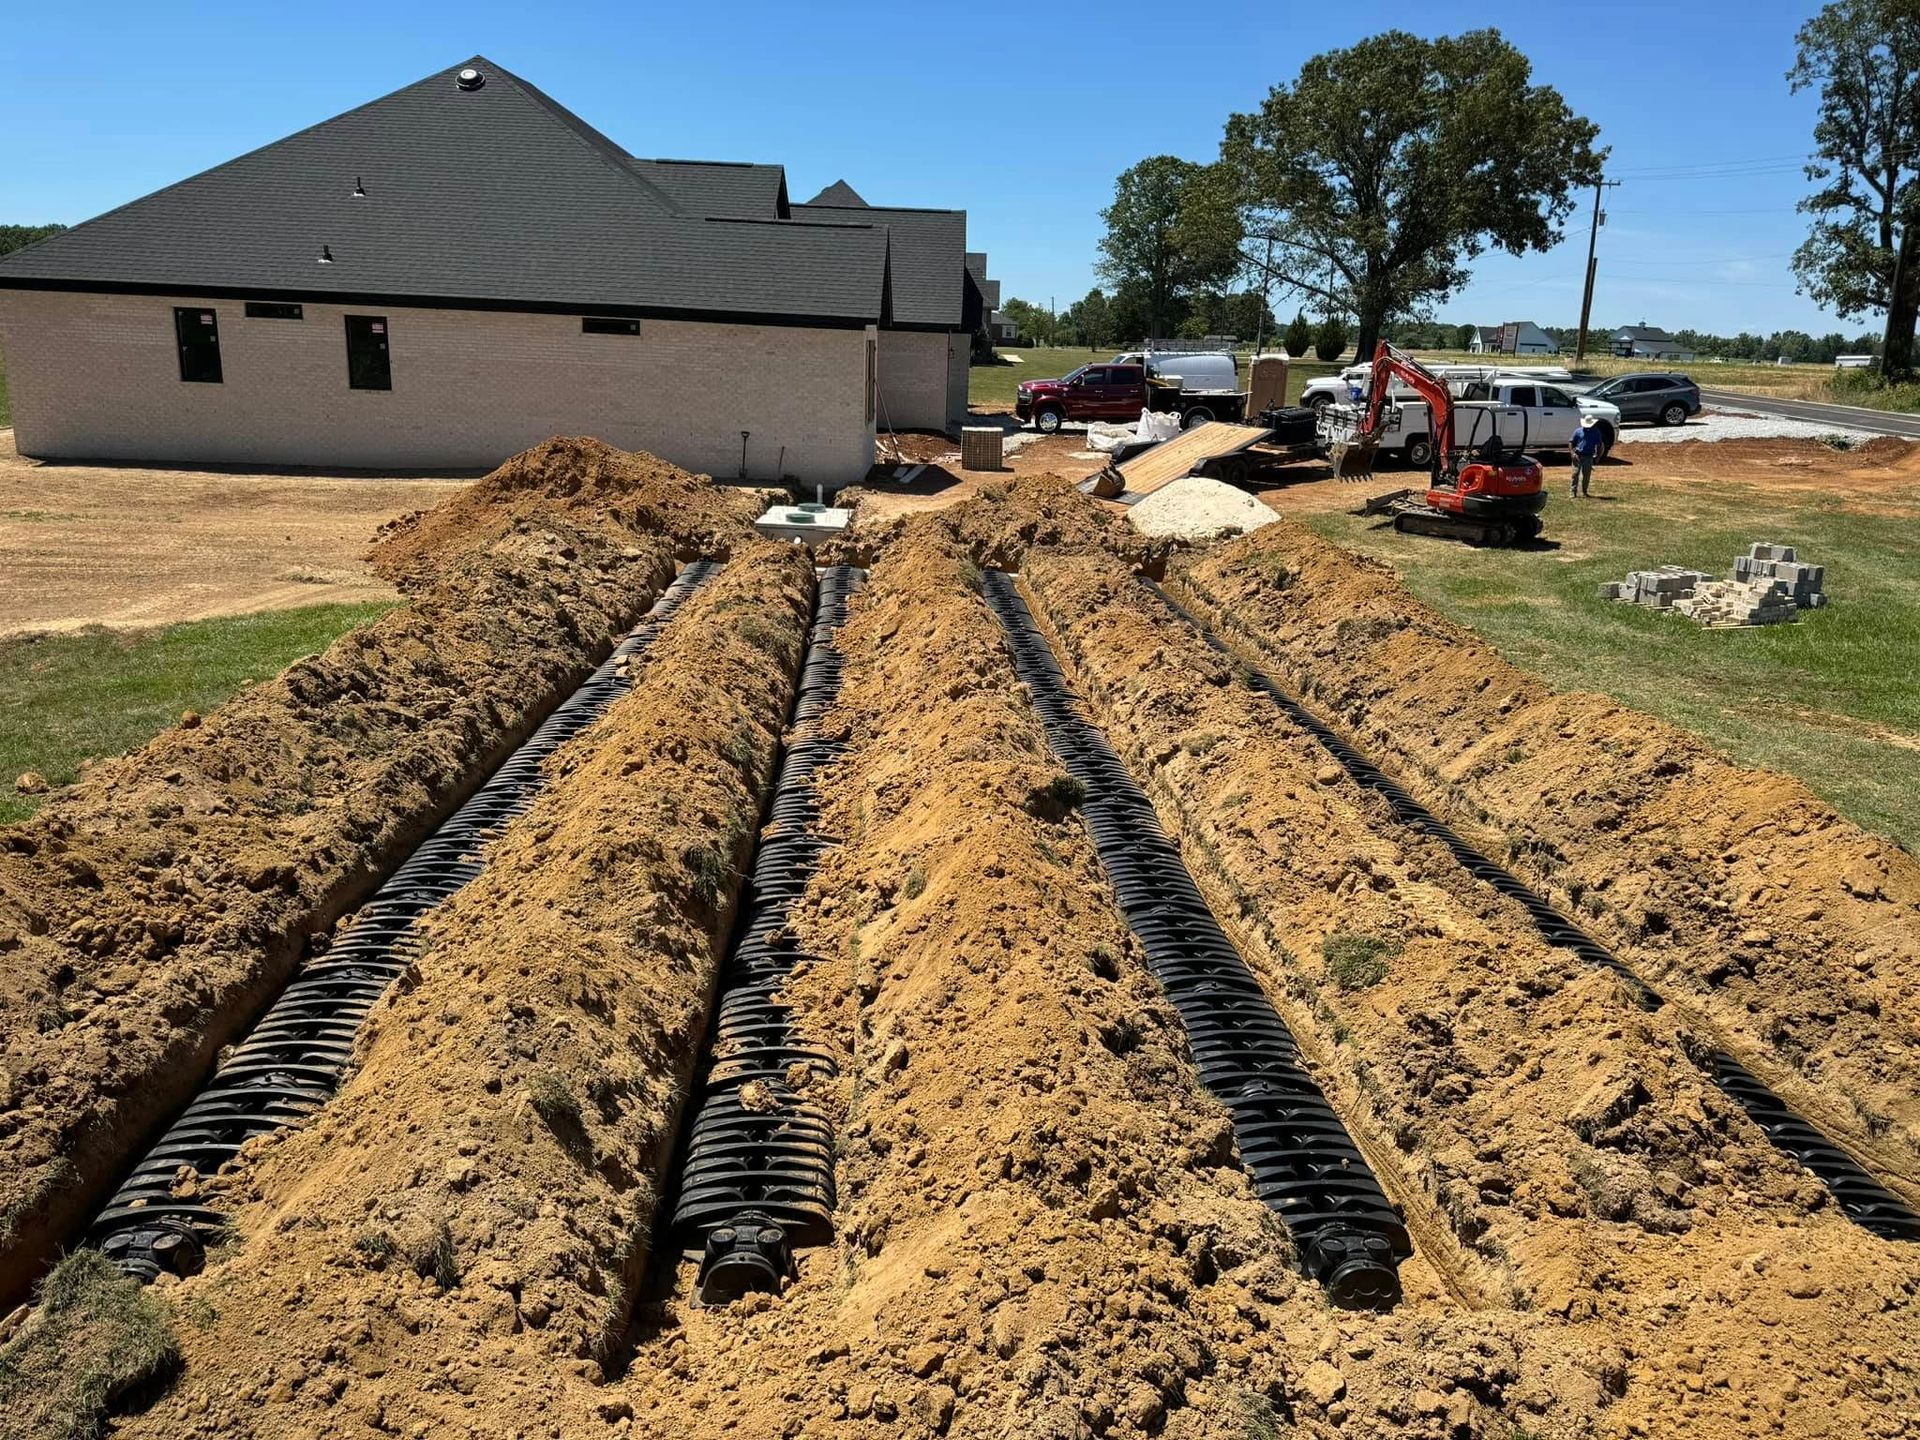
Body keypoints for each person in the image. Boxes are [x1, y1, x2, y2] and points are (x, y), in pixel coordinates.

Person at [1569, 414, 1604, 498]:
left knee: (1586, 475)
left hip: (1588, 456)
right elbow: (1571, 442)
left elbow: (1599, 445)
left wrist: (1598, 456)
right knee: (1575, 474)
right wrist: (1572, 453)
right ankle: (1573, 492)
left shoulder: (1596, 432)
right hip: (1578, 455)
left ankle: (1584, 491)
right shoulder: (1578, 431)